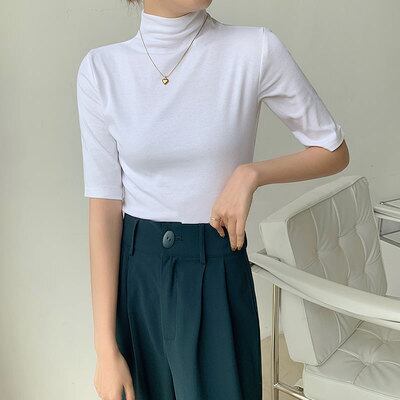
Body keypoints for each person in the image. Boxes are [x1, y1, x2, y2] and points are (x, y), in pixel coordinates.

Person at [76, 1, 350, 399]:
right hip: (137, 282)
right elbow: (104, 210)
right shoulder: (101, 70)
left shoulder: (254, 50)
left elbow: (333, 150)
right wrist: (104, 347)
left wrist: (251, 174)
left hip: (215, 267)